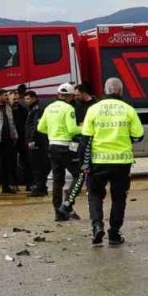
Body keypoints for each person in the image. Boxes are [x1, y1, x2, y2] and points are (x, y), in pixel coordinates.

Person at [79, 77, 144, 245]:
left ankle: (97, 226)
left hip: (97, 162)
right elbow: (139, 136)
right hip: (121, 163)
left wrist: (83, 163)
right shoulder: (128, 110)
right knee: (119, 198)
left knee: (94, 195)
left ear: (105, 90)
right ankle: (114, 233)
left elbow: (85, 139)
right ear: (120, 91)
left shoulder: (93, 109)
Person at [38, 83, 82, 221]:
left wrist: (52, 133)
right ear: (69, 96)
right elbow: (72, 130)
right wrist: (84, 128)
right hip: (66, 146)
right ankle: (67, 204)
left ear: (58, 94)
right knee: (79, 175)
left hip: (52, 146)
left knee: (58, 180)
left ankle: (58, 213)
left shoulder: (49, 108)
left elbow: (40, 127)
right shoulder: (69, 108)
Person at [23, 90, 49, 198]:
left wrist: (31, 140)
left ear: (34, 98)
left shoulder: (37, 109)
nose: (26, 101)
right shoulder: (32, 108)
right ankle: (41, 187)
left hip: (36, 142)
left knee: (37, 165)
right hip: (37, 141)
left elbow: (34, 126)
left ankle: (39, 187)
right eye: (25, 99)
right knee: (38, 165)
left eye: (28, 99)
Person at [10, 89, 33, 192]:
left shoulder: (24, 110)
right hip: (11, 140)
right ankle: (13, 184)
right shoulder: (7, 111)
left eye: (17, 99)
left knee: (26, 162)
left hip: (22, 140)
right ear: (9, 99)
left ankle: (29, 184)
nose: (16, 100)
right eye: (13, 99)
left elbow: (27, 125)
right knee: (12, 163)